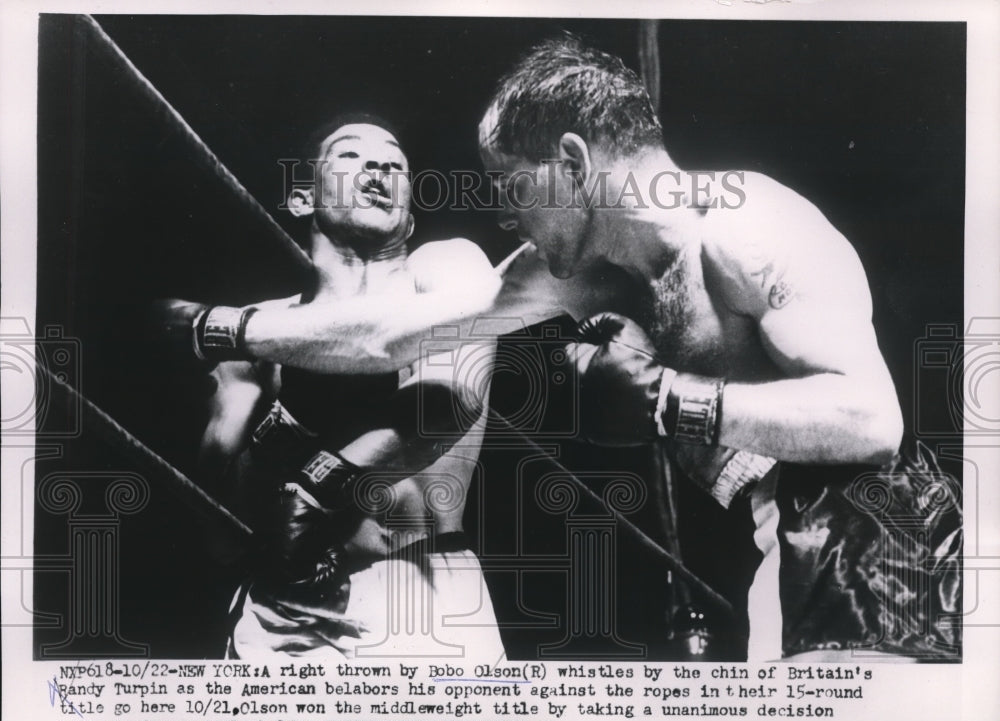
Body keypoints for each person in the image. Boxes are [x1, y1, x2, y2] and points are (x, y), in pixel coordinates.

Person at [475, 36, 962, 661]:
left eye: (508, 184)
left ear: (573, 162)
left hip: (876, 533)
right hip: (781, 542)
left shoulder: (745, 226)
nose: (500, 215)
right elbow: (412, 327)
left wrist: (666, 400)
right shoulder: (589, 275)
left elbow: (872, 421)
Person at [155, 114, 507, 660]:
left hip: (414, 588)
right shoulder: (261, 330)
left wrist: (313, 482)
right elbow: (220, 537)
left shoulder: (443, 270)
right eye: (350, 154)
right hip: (280, 609)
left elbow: (447, 403)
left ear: (409, 215)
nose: (381, 164)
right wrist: (259, 425)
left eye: (396, 160)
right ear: (302, 198)